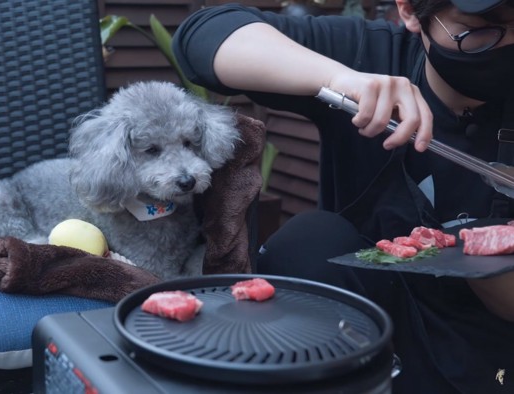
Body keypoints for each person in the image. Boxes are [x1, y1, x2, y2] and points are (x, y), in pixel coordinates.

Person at [173, 0, 514, 393]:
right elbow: (204, 36)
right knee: (309, 240)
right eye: (478, 30)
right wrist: (342, 78)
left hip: (492, 337)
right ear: (409, 12)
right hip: (367, 317)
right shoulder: (371, 53)